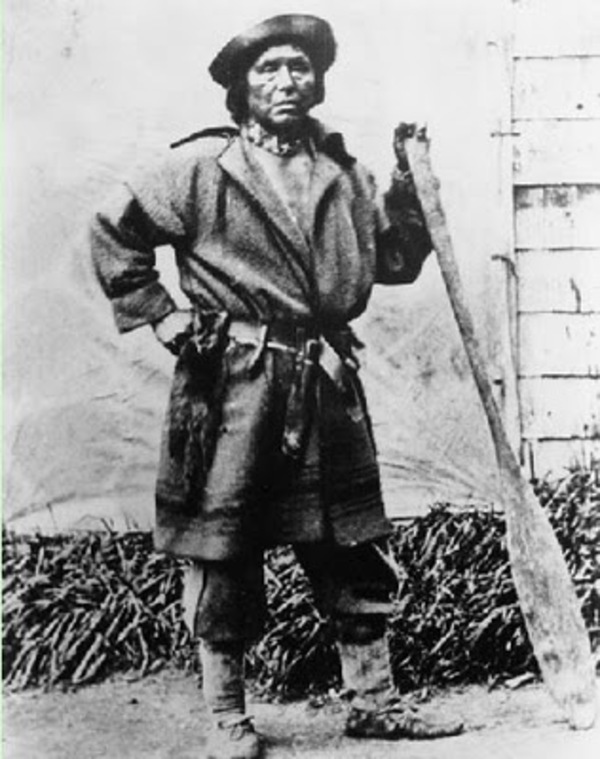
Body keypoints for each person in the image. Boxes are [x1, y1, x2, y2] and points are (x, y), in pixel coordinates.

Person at [91, 13, 464, 759]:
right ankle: (227, 716)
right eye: (269, 69)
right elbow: (114, 228)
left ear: (318, 81)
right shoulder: (202, 168)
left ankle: (374, 703)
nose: (287, 80)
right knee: (224, 547)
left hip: (325, 382)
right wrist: (159, 314)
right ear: (241, 87)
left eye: (300, 67)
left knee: (351, 543)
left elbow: (393, 261)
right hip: (234, 386)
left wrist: (406, 186)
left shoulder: (345, 176)